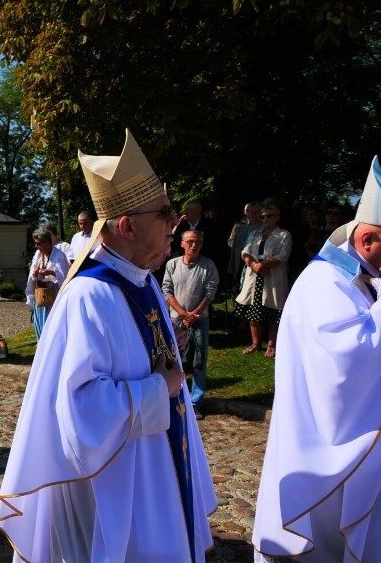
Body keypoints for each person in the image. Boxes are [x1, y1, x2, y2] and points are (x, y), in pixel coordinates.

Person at [0, 129, 215, 562]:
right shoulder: (88, 296)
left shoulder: (145, 279)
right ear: (128, 225)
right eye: (165, 213)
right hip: (114, 485)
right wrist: (160, 390)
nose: (176, 223)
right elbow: (80, 409)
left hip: (155, 472)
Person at [252, 157, 381, 562]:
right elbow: (345, 368)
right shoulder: (323, 282)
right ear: (366, 242)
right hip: (322, 457)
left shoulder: (357, 277)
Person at [162, 229, 220, 419]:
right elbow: (167, 290)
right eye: (191, 242)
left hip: (199, 321)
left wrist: (194, 314)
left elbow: (210, 293)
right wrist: (182, 313)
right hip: (176, 321)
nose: (195, 245)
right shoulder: (172, 264)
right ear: (182, 243)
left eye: (198, 242)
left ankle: (195, 402)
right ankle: (175, 395)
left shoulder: (208, 266)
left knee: (199, 362)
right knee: (172, 359)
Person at [235, 204, 292, 358]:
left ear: (277, 217)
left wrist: (263, 265)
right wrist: (254, 265)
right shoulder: (255, 234)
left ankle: (272, 344)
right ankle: (255, 343)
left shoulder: (284, 235)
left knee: (272, 310)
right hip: (254, 275)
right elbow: (245, 251)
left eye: (269, 216)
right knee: (253, 311)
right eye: (262, 216)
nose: (265, 219)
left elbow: (283, 255)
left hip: (272, 276)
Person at [25, 226, 69, 340]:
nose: (36, 246)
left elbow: (64, 277)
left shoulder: (59, 255)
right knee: (40, 324)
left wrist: (51, 272)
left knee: (51, 326)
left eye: (39, 244)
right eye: (35, 243)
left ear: (48, 242)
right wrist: (35, 274)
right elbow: (32, 277)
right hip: (40, 294)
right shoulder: (38, 255)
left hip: (53, 295)